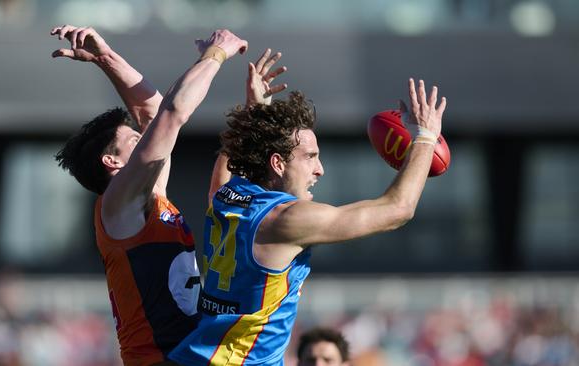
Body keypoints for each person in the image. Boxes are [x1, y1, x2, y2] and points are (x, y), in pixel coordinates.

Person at [168, 79, 447, 365]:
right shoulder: (286, 220)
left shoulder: (227, 196)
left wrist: (254, 116)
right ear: (277, 164)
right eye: (310, 157)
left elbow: (221, 180)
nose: (320, 170)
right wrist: (425, 137)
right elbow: (398, 209)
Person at [52, 26, 248, 366]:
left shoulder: (149, 195)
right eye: (135, 141)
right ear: (112, 161)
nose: (145, 141)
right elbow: (171, 115)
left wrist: (106, 59)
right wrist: (215, 55)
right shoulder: (118, 201)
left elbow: (157, 113)